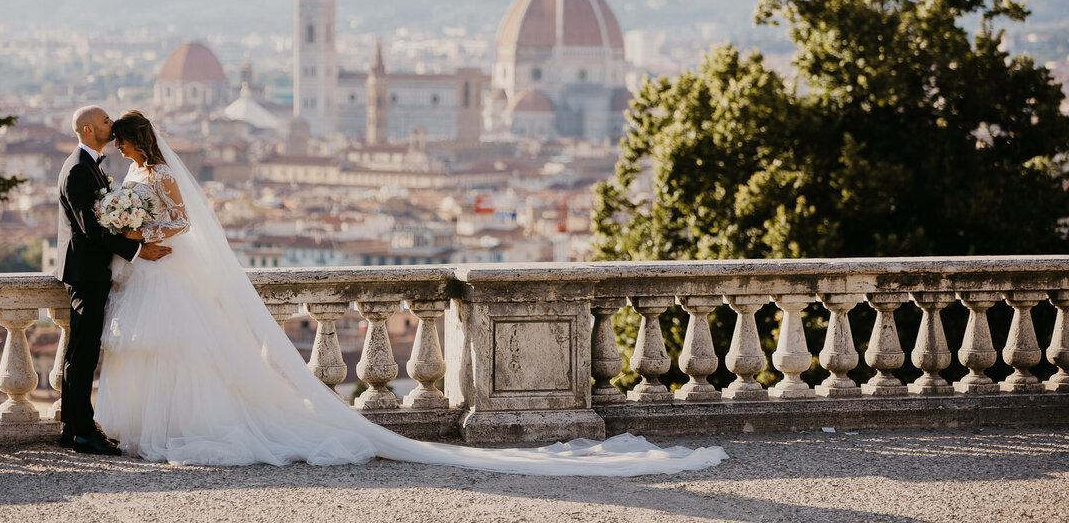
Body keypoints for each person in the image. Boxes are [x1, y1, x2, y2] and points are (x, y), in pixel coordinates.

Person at [93, 110, 728, 476]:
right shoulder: (140, 170)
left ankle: (180, 430)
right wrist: (134, 228)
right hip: (155, 272)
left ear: (134, 140)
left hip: (162, 265)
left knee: (189, 354)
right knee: (172, 353)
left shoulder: (161, 172)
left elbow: (180, 221)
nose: (116, 151)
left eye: (119, 143)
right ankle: (162, 429)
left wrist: (141, 229)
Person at [55, 106, 171, 456]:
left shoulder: (86, 164)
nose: (112, 124)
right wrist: (137, 251)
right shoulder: (78, 169)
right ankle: (83, 433)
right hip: (85, 273)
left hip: (88, 271)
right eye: (106, 121)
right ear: (89, 130)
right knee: (83, 355)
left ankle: (73, 428)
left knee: (80, 354)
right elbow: (90, 228)